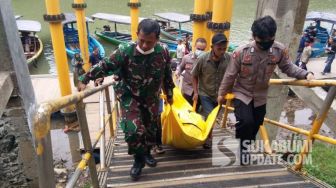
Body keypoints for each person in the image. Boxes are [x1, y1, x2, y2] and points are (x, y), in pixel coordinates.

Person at [77, 19, 174, 180]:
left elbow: (167, 75)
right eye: (141, 40)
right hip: (130, 95)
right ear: (137, 34)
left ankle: (147, 153)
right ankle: (138, 160)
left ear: (157, 39)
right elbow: (105, 65)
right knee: (133, 129)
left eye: (149, 42)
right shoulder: (125, 50)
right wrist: (85, 78)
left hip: (151, 97)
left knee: (151, 129)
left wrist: (169, 94)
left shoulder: (163, 52)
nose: (144, 45)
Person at [217, 16, 315, 165]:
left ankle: (246, 146)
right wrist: (221, 94)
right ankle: (242, 148)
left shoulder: (279, 50)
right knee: (245, 122)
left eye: (269, 40)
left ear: (273, 36)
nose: (265, 44)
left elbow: (288, 67)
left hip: (261, 95)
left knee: (256, 123)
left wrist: (306, 74)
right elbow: (230, 75)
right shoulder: (241, 52)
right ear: (254, 37)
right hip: (242, 92)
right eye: (261, 41)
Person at [191, 33, 231, 149]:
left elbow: (232, 74)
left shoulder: (228, 58)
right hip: (205, 93)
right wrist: (196, 92)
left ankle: (205, 132)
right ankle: (208, 137)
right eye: (219, 49)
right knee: (210, 116)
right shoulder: (202, 59)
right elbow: (194, 75)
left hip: (220, 95)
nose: (222, 51)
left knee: (213, 117)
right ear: (212, 47)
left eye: (224, 49)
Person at [176, 37, 207, 109]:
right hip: (187, 89)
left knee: (195, 110)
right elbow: (181, 67)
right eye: (198, 49)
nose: (200, 51)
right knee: (185, 109)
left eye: (202, 50)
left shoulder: (206, 60)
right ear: (195, 46)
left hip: (200, 90)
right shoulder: (186, 58)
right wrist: (178, 72)